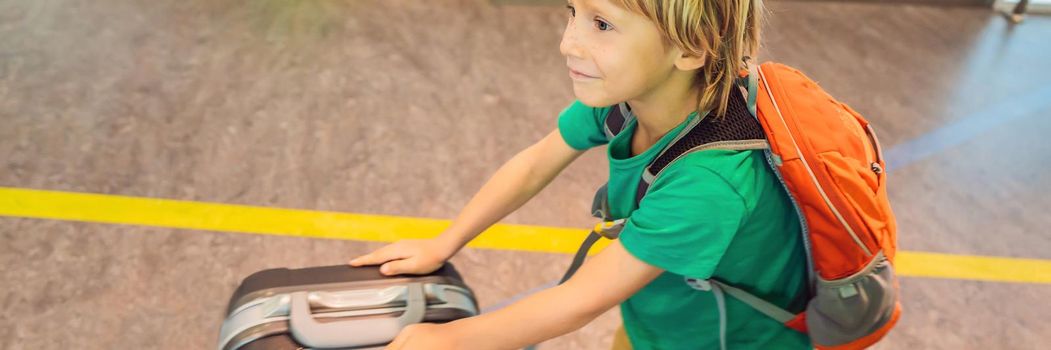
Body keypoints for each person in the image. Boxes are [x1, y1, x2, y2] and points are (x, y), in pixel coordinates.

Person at [350, 0, 811, 348]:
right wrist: (442, 243)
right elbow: (533, 164)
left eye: (602, 24)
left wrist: (447, 341)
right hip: (660, 320)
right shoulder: (628, 101)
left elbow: (578, 304)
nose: (567, 42)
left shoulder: (711, 183)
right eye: (574, 11)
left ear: (690, 48)